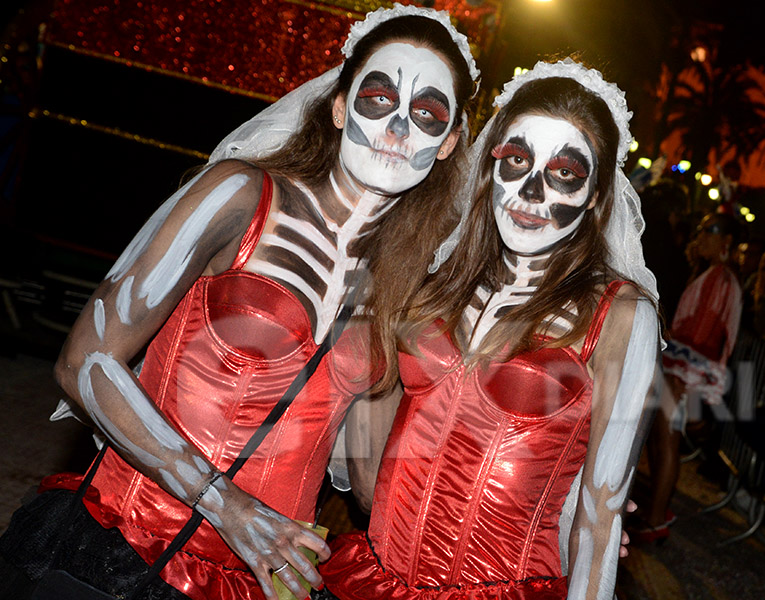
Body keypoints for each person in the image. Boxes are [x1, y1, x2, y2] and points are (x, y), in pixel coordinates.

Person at [0, 6, 477, 600]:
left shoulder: (402, 288)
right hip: (127, 547)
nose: (399, 128)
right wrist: (227, 507)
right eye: (379, 98)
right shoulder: (238, 195)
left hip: (257, 583)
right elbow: (84, 361)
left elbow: (368, 476)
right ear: (338, 105)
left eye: (428, 114)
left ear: (451, 141)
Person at [317, 58, 661, 599]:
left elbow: (599, 516)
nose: (531, 192)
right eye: (517, 160)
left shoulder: (620, 316)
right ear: (488, 167)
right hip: (375, 578)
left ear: (595, 196)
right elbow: (366, 472)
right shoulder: (430, 281)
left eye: (565, 173)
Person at [637, 210, 743, 541]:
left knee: (667, 441)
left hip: (688, 372)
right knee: (660, 440)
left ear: (727, 241)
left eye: (709, 230)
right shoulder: (711, 274)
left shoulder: (722, 278)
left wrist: (682, 378)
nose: (701, 236)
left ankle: (656, 519)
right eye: (700, 229)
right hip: (682, 368)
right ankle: (658, 510)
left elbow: (704, 338)